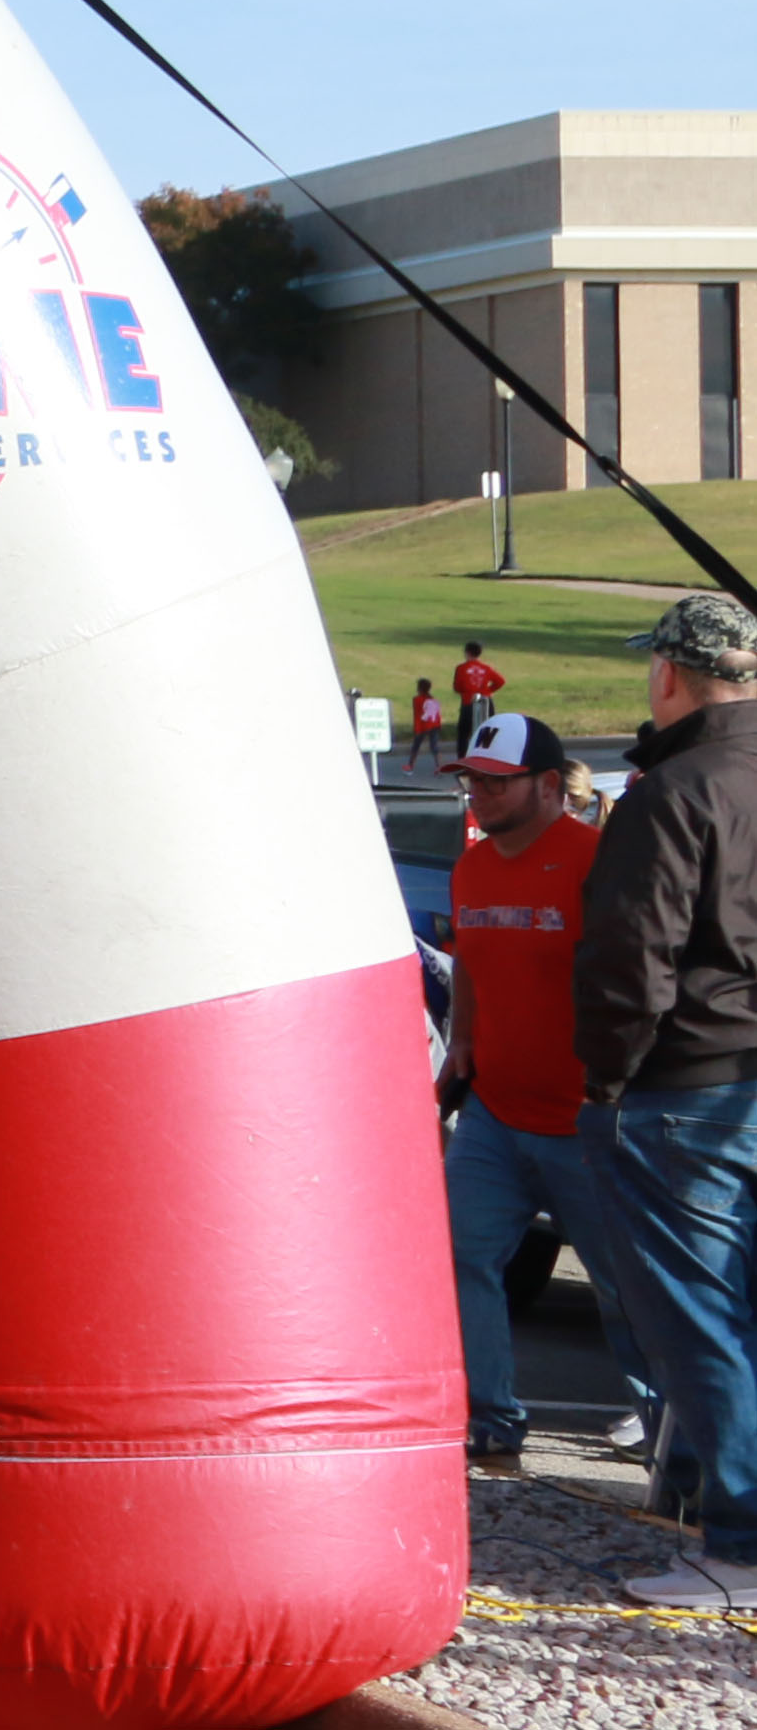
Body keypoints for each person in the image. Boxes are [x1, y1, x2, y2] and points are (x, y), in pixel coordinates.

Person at [585, 592, 757, 1607]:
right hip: (734, 1080)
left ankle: (736, 1541)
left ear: (666, 674)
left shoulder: (670, 789)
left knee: (695, 1322)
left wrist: (604, 1077)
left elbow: (627, 954)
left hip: (680, 1083)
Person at [438, 711, 656, 1472]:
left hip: (586, 1119)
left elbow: (637, 977)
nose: (478, 795)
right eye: (471, 780)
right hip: (494, 1111)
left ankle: (666, 1425)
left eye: (494, 782)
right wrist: (462, 1038)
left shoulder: (595, 860)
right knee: (462, 1255)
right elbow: (465, 958)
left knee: (622, 1285)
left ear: (545, 784)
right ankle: (490, 1416)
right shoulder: (470, 865)